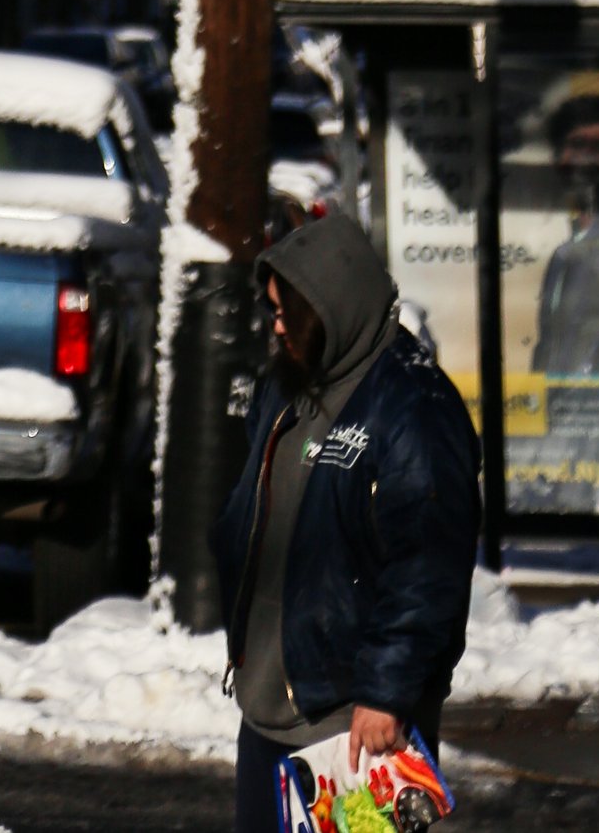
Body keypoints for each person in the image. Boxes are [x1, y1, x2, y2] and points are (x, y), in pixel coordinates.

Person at [214, 204, 480, 833]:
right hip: (270, 711)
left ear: (328, 309)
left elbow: (427, 567)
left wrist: (387, 691)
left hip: (352, 725)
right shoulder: (290, 386)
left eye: (286, 312)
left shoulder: (413, 407)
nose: (275, 326)